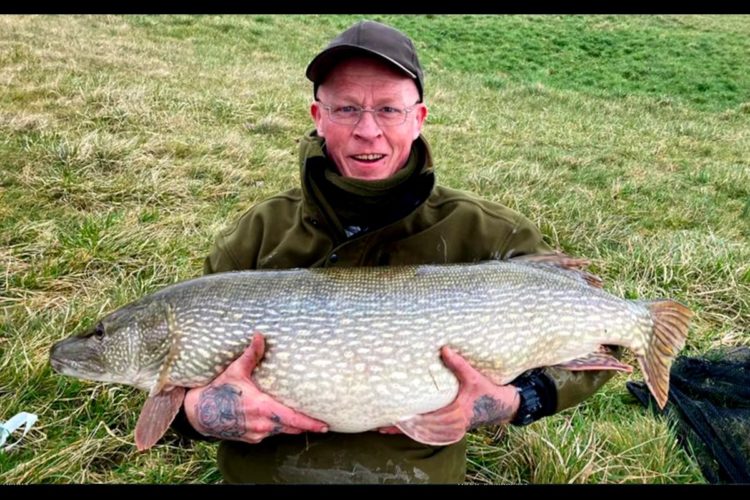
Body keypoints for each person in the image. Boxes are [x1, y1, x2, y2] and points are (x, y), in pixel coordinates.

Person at [170, 19, 619, 484]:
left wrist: (516, 401)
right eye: (346, 109)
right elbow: (176, 386)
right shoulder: (258, 232)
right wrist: (197, 413)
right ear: (317, 116)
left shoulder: (490, 234)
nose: (368, 130)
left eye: (388, 109)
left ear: (418, 118)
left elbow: (603, 327)